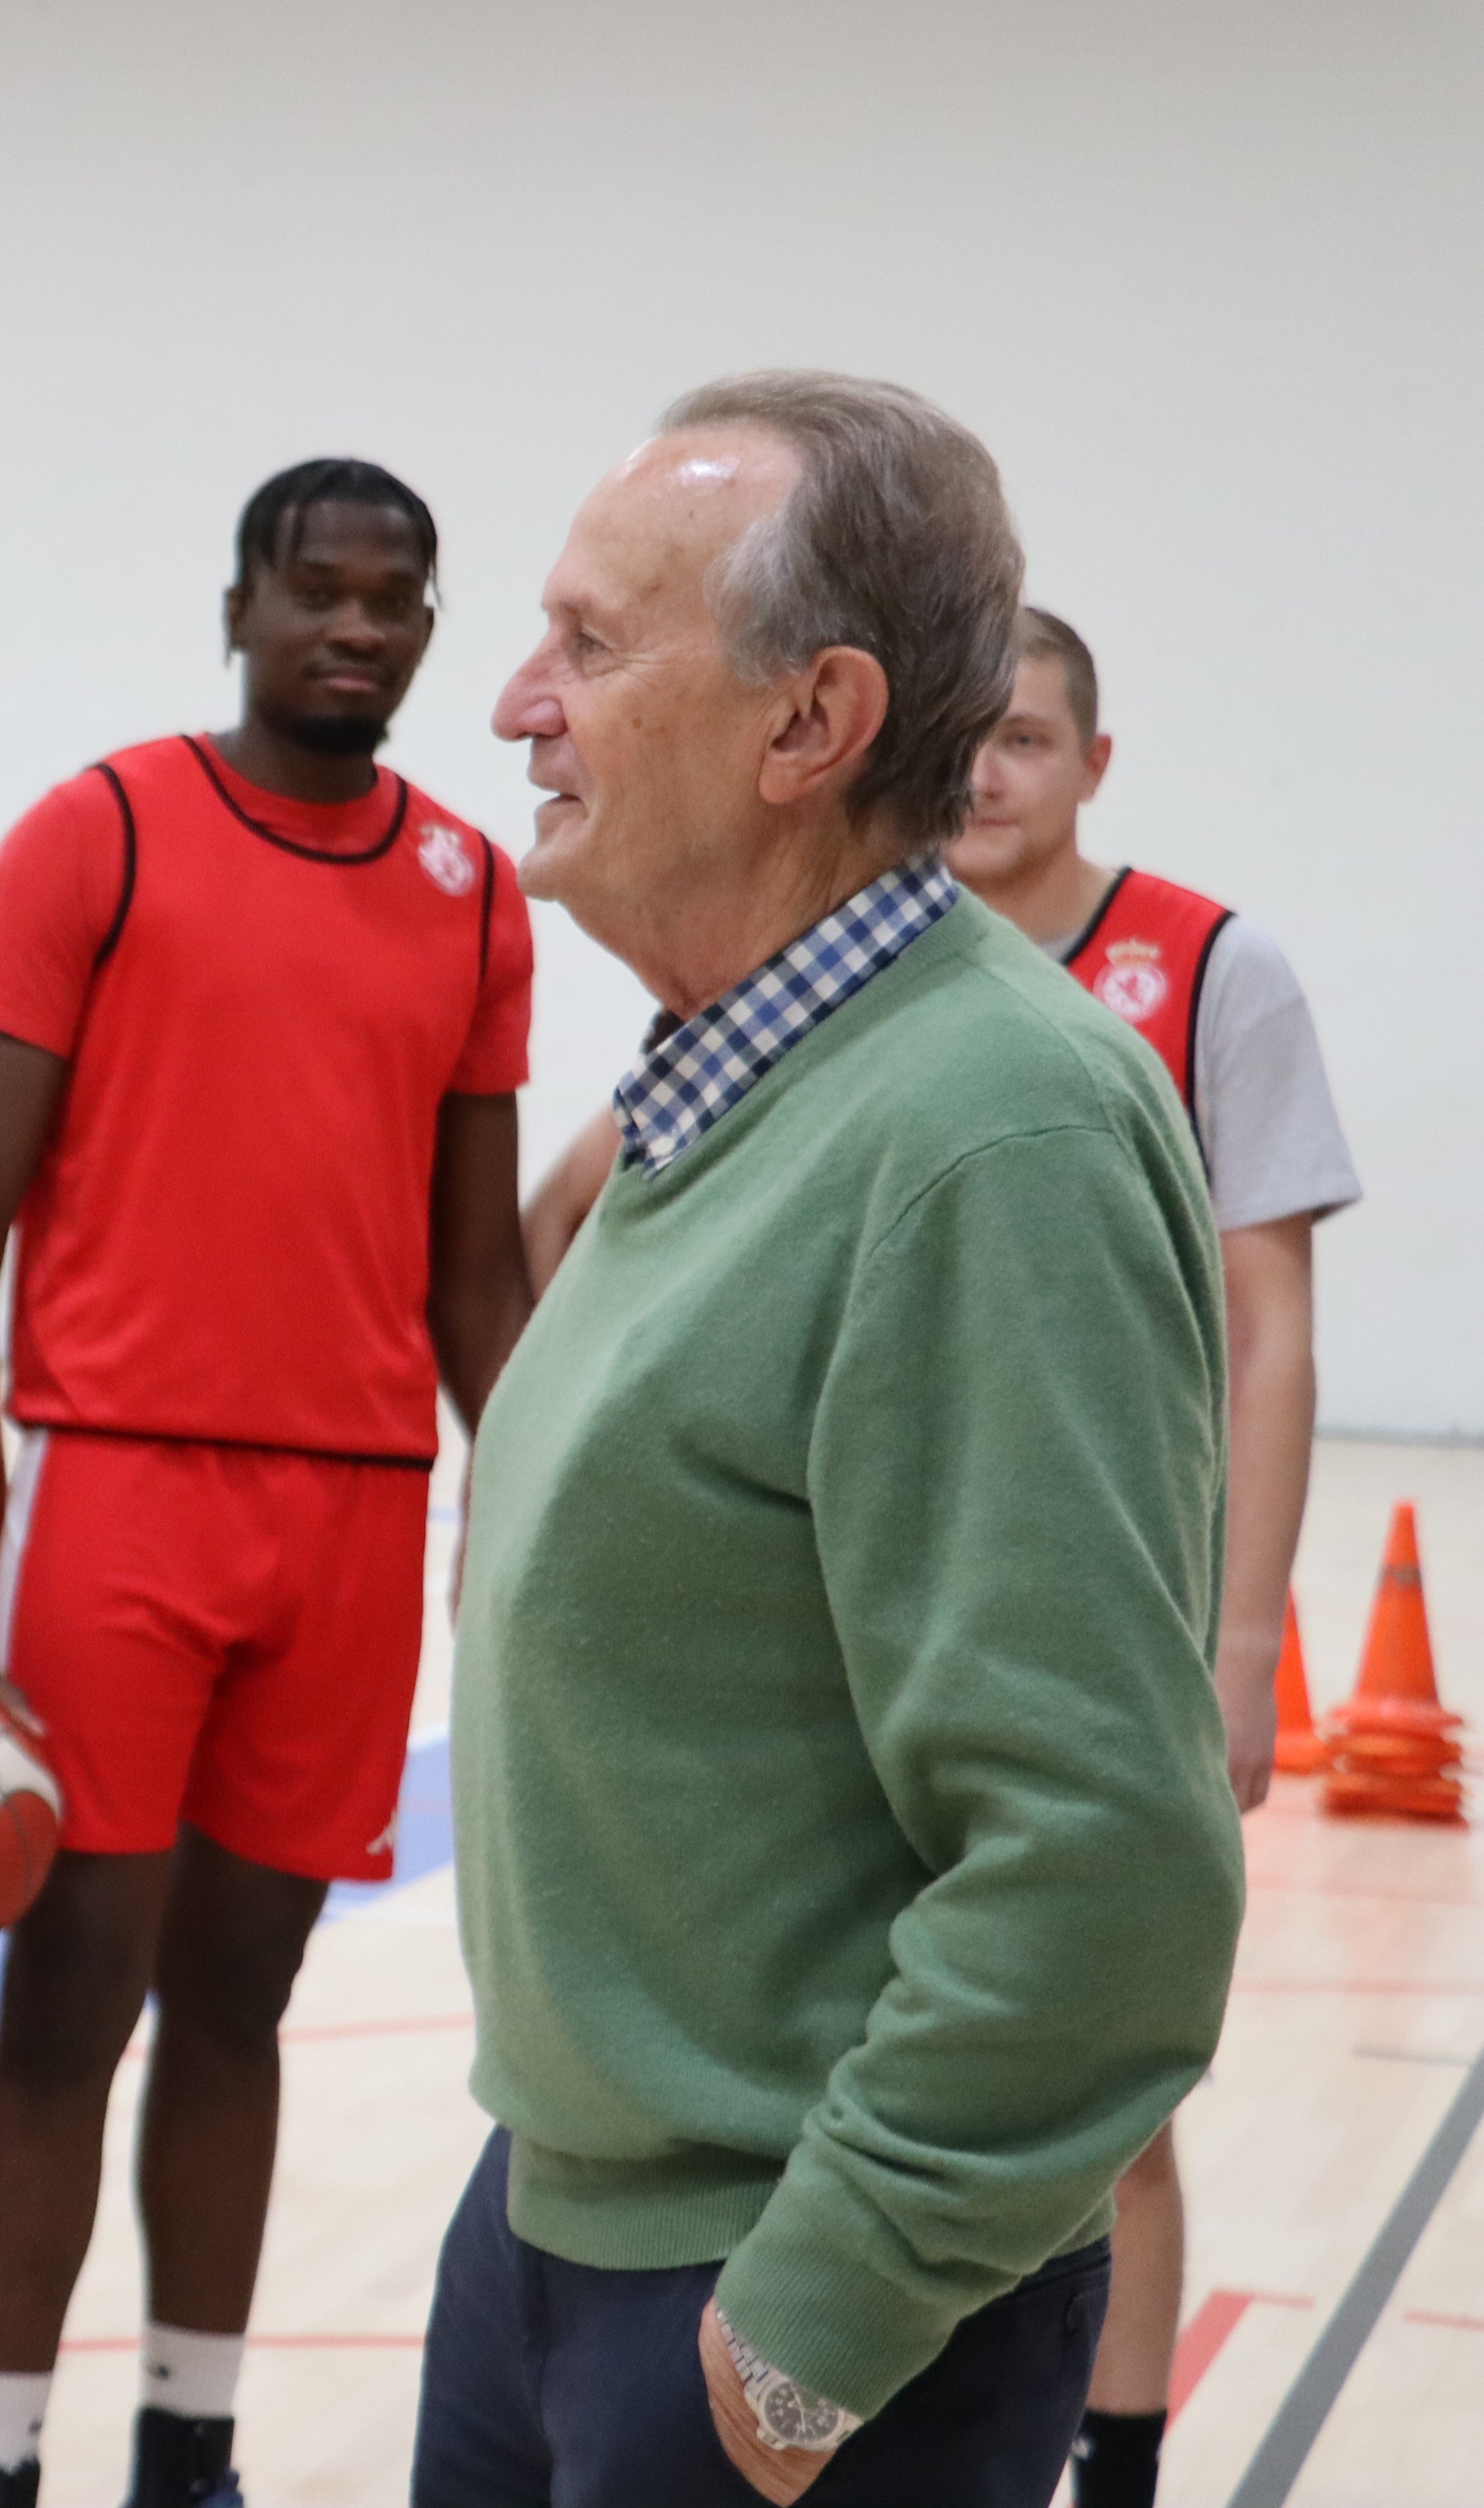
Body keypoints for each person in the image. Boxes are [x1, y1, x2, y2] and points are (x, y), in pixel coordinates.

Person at [419, 373, 1246, 2508]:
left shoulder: (993, 1135)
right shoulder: (733, 1088)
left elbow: (1103, 1871)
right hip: (558, 2229)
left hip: (779, 2309)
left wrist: (809, 2339)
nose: (519, 701)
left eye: (595, 646)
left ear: (812, 724)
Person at [0, 459, 536, 2508]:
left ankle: (189, 2452)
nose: (361, 630)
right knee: (75, 1989)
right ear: (238, 607)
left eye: (400, 601)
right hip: (119, 1494)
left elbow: (477, 1273)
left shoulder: (474, 888)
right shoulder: (97, 832)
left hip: (355, 1519)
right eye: (321, 592)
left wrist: (555, 1521)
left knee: (242, 2000)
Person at [946, 607, 1354, 2508]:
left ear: (1094, 765)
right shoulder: (861, 957)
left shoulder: (1206, 967)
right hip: (899, 1624)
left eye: (1027, 740)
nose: (986, 773)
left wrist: (1245, 1638)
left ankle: (1114, 2472)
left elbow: (1271, 1327)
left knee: (1108, 2104)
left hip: (1118, 1627)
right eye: (964, 736)